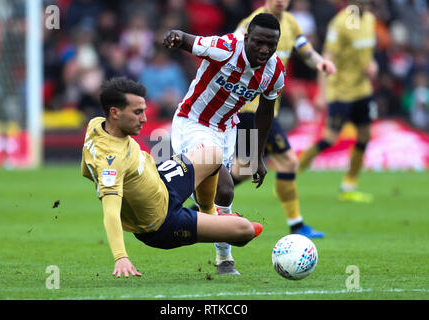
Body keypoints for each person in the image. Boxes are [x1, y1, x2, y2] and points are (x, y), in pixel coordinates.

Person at [80, 77, 263, 278]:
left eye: (144, 110)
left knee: (214, 154)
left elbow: (86, 169)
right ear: (114, 113)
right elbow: (111, 212)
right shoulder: (110, 162)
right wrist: (121, 257)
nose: (144, 119)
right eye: (138, 112)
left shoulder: (96, 125)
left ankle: (209, 213)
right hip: (163, 223)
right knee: (245, 230)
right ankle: (219, 233)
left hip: (161, 181)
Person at [212, 0, 336, 263]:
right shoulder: (252, 23)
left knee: (244, 169)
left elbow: (307, 51)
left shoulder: (290, 23)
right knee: (279, 162)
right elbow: (230, 49)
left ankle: (201, 203)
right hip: (249, 107)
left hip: (268, 110)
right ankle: (296, 223)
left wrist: (321, 63)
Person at [163, 13, 286, 275]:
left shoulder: (275, 71)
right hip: (193, 123)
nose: (264, 49)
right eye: (259, 43)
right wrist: (175, 37)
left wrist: (258, 154)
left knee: (223, 194)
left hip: (226, 129)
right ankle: (225, 257)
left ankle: (204, 219)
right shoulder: (225, 48)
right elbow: (189, 41)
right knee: (225, 186)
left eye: (271, 45)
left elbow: (266, 112)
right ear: (247, 37)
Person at [298, 0, 377, 203]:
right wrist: (321, 93)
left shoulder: (370, 20)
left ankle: (349, 185)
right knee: (330, 139)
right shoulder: (340, 23)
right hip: (340, 91)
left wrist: (372, 65)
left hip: (362, 90)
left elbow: (367, 54)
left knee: (365, 135)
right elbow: (327, 57)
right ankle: (291, 175)